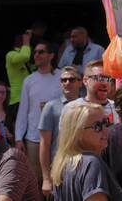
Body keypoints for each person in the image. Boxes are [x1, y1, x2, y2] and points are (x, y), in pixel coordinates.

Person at [52, 104, 122, 201]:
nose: (106, 130)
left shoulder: (62, 165)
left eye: (105, 123)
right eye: (97, 126)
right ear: (77, 133)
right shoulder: (92, 163)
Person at [15, 41, 62, 185]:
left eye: (41, 52)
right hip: (33, 138)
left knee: (58, 178)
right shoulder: (29, 80)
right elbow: (23, 110)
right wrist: (18, 138)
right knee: (35, 180)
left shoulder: (62, 77)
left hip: (58, 136)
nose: (36, 55)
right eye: (35, 52)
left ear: (51, 55)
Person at [38, 66, 82, 197]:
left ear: (80, 82)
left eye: (71, 79)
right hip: (59, 169)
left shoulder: (87, 106)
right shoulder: (51, 107)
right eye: (64, 80)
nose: (67, 83)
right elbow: (44, 144)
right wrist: (46, 179)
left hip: (82, 167)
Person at [60, 60, 121, 128]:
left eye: (109, 79)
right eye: (100, 78)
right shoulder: (72, 109)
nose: (105, 83)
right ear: (85, 80)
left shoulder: (118, 109)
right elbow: (66, 137)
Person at [5, 29, 32, 134]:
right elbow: (25, 56)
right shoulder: (11, 55)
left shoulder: (28, 59)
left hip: (28, 100)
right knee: (17, 133)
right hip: (17, 100)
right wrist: (26, 42)